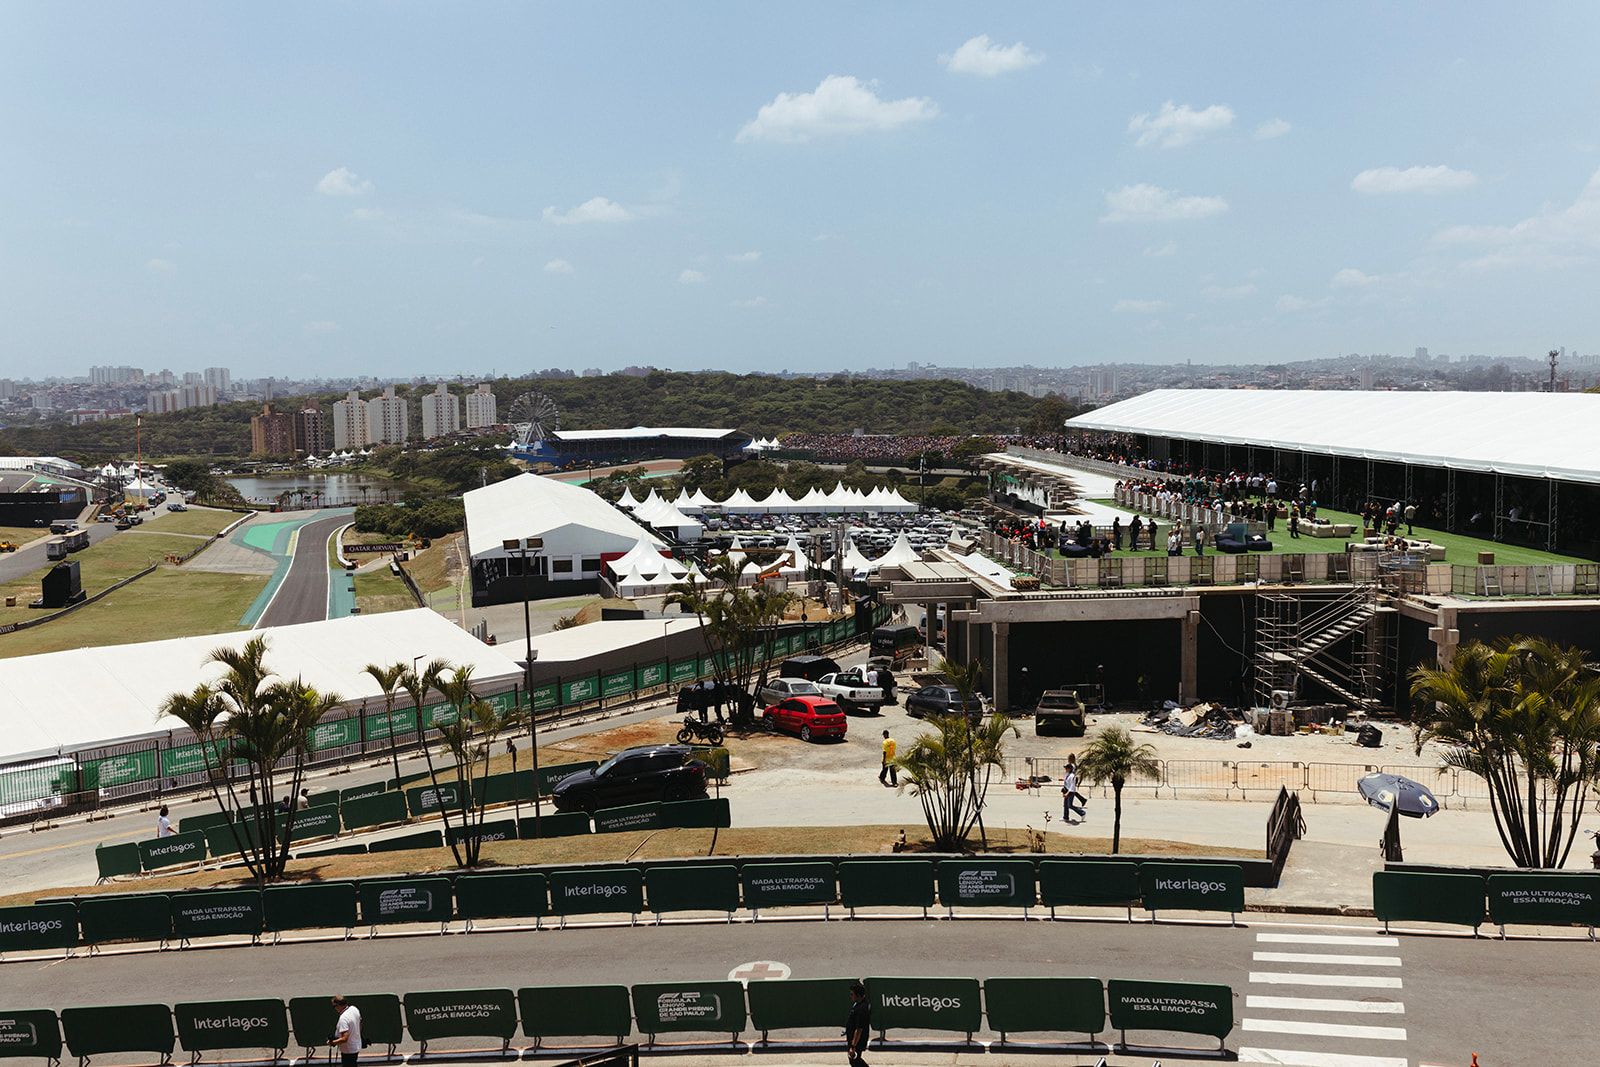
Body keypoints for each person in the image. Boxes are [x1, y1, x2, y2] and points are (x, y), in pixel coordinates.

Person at [329, 995, 362, 1067]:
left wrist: (332, 1042)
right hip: (356, 1045)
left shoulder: (343, 1018)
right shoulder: (354, 1009)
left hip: (348, 1049)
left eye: (334, 1006)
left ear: (338, 1005)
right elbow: (360, 1024)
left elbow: (344, 1039)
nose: (335, 1009)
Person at [845, 980, 871, 1067]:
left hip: (857, 1041)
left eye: (852, 994)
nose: (850, 996)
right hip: (855, 1039)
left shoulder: (861, 1009)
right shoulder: (862, 1003)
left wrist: (853, 1046)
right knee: (855, 1061)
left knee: (855, 1061)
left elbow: (859, 1029)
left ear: (858, 995)